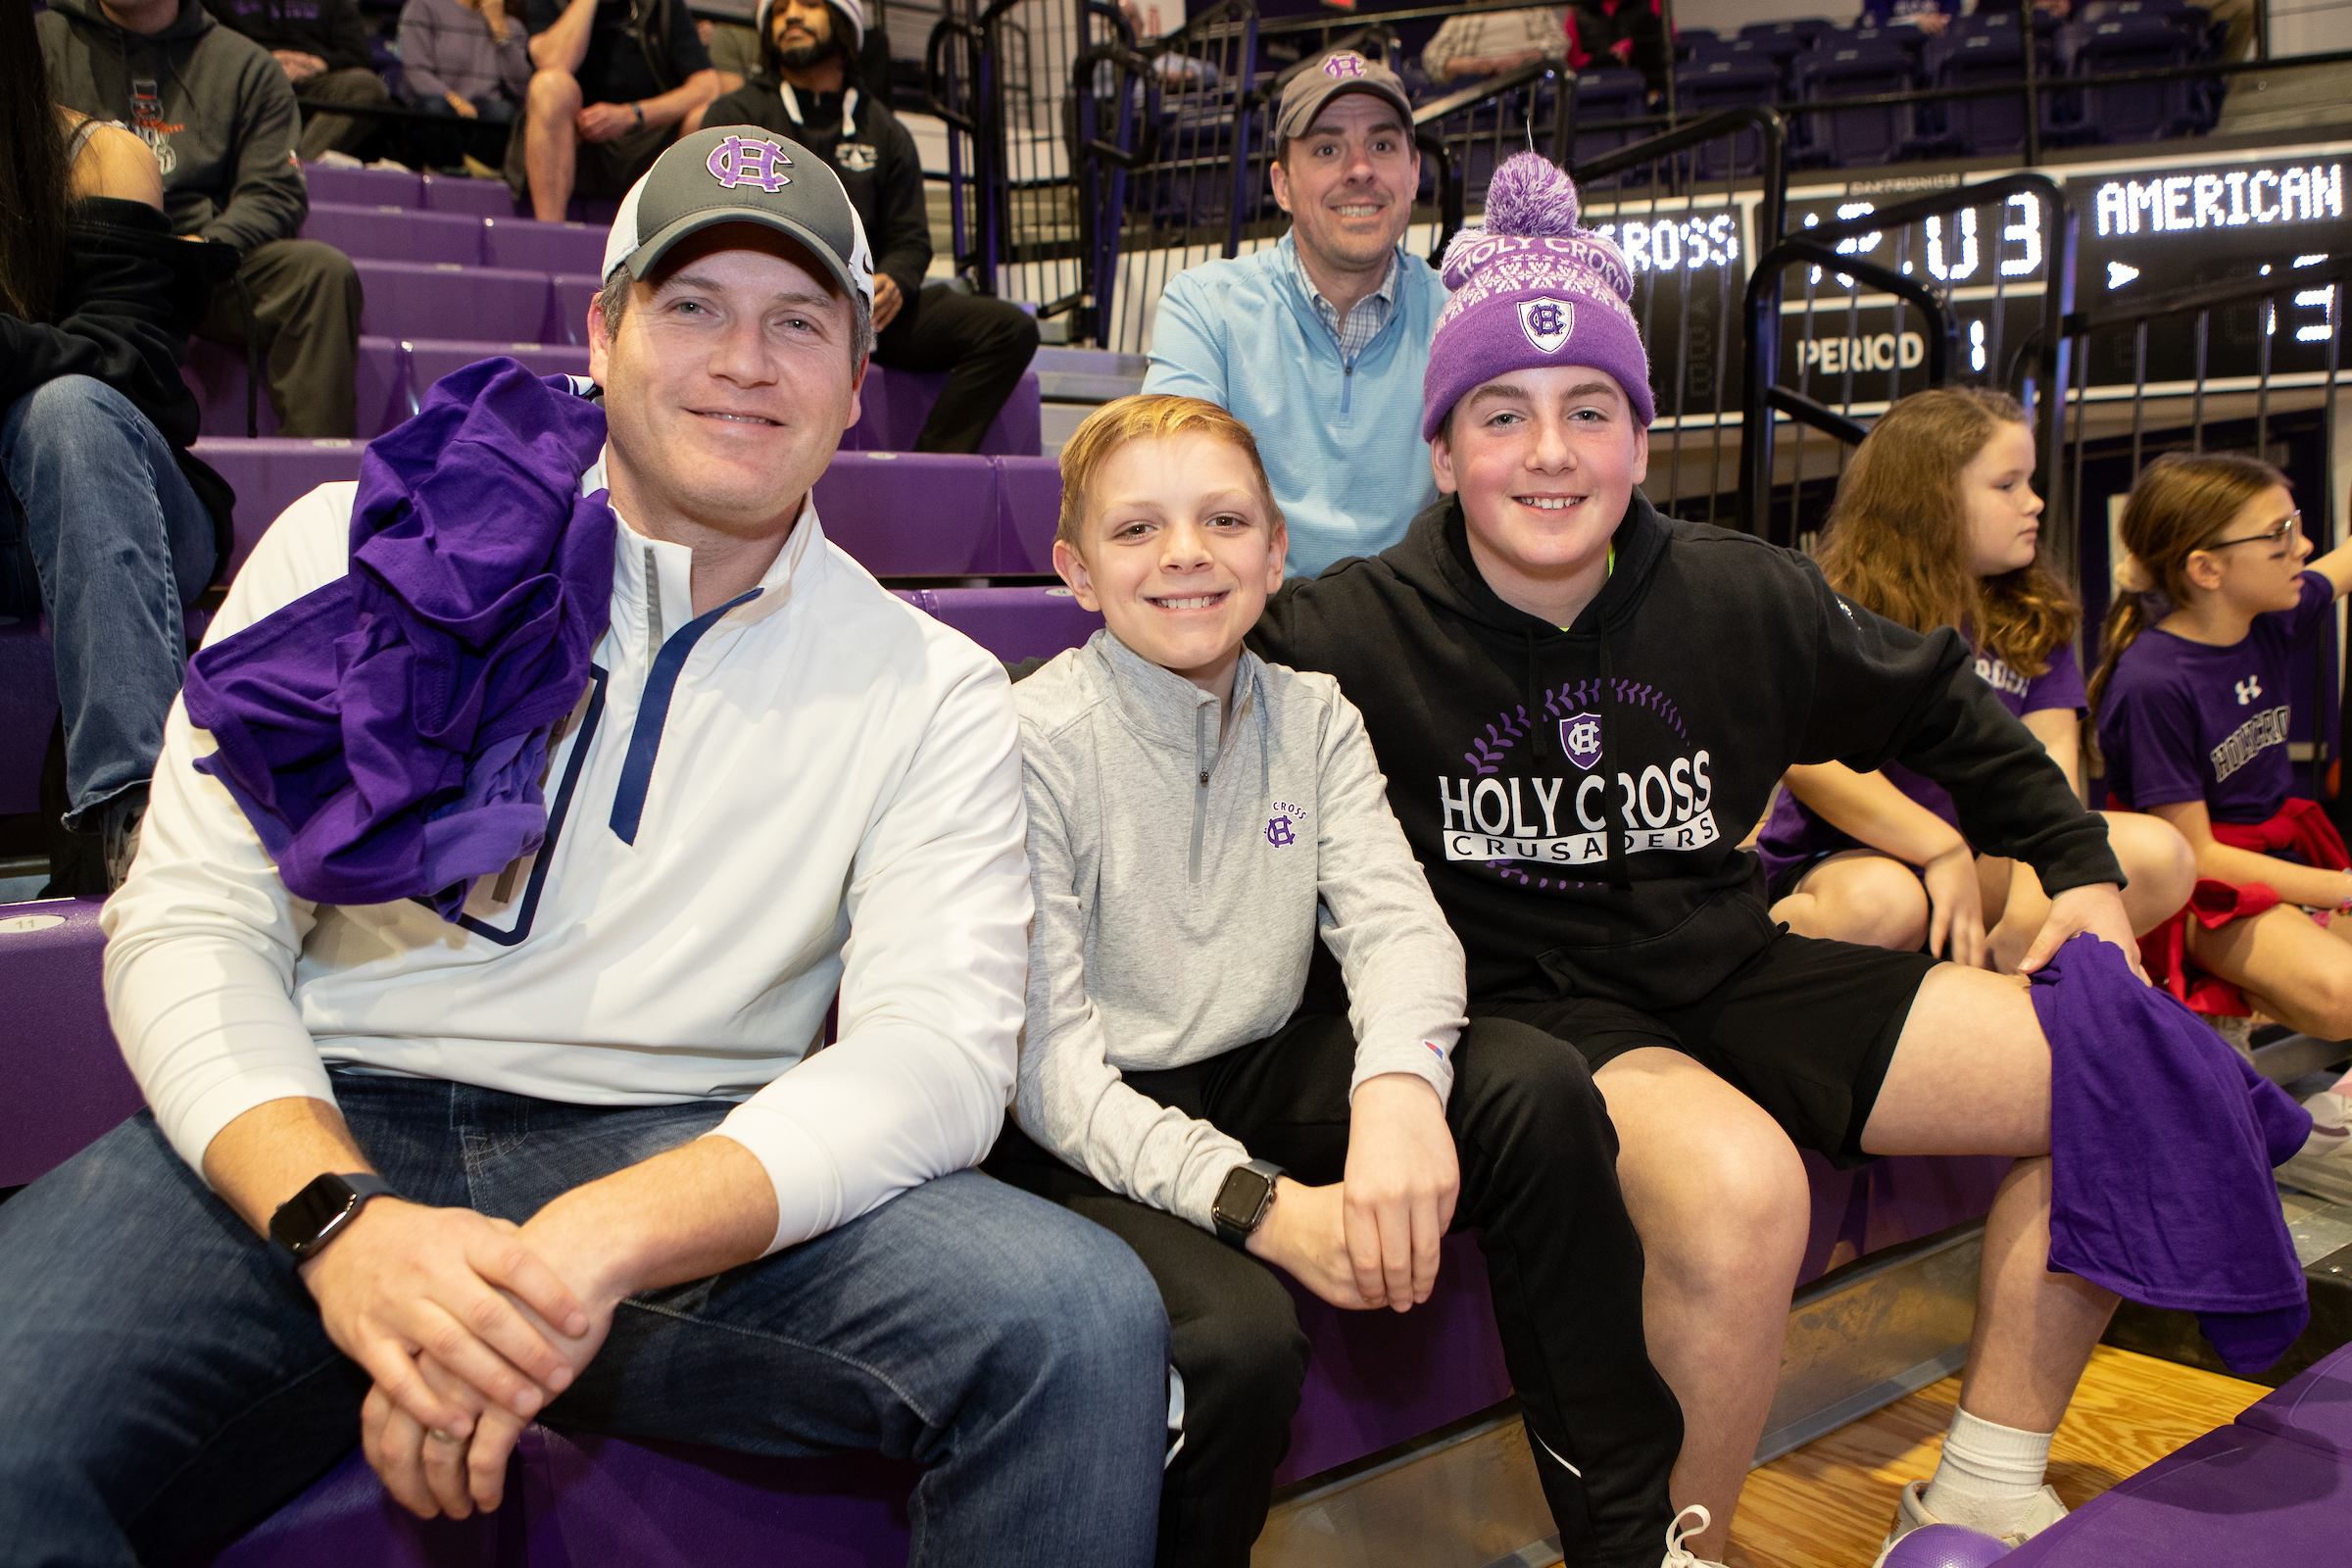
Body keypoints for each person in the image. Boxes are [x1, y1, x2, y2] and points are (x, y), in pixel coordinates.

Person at [0, 126, 1170, 1566]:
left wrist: (588, 1244)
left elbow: (935, 1057)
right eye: (693, 307)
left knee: (1076, 1319)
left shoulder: (930, 687)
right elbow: (189, 922)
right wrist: (343, 1224)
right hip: (325, 1110)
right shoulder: (354, 542)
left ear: (857, 379)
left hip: (670, 1165)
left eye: (798, 321)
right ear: (602, 332)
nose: (747, 361)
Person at [1246, 153, 2155, 1565]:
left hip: (1731, 961)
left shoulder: (1747, 591)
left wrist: (2080, 869)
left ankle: (1981, 1475)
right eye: (1503, 415)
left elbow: (1943, 709)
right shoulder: (1342, 630)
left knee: (2116, 1070)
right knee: (1743, 1190)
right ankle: (1688, 1550)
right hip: (1537, 1015)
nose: (1549, 453)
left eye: (1588, 412)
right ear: (1441, 448)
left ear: (1640, 435)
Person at [990, 391, 1701, 1568]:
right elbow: (1052, 1077)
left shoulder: (1313, 711)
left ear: (1277, 554)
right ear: (1074, 570)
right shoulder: (1030, 742)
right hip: (1078, 1129)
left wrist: (1400, 1092)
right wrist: (1263, 1206)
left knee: (1534, 1086)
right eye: (1136, 531)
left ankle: (1628, 1544)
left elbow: (1403, 930)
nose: (1184, 555)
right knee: (1240, 1341)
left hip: (1254, 1066)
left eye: (1224, 521)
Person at [1757, 389, 2196, 973]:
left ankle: (1993, 989)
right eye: (2007, 484)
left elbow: (2052, 760)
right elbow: (1807, 760)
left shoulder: (2036, 613)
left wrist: (2027, 912)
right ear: (1928, 500)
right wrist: (1936, 847)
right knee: (1885, 903)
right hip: (1848, 854)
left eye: (2031, 481)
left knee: (2159, 854)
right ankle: (1746, 973)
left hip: (1982, 857)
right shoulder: (1840, 603)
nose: (2034, 502)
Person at [3, 17, 240, 894]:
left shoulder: (100, 158)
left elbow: (129, 366)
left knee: (65, 411)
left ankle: (145, 823)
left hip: (119, 485)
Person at [2090, 452, 2352, 1203]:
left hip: (2271, 862)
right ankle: (2287, 1139)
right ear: (2206, 568)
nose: (2302, 547)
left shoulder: (2270, 614)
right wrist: (2341, 887)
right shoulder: (2155, 681)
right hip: (2196, 891)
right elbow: (2197, 855)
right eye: (2280, 534)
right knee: (2338, 992)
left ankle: (2318, 1121)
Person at [1142, 51, 1446, 579]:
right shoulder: (1206, 306)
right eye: (1328, 148)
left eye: (1381, 145)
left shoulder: (1463, 312)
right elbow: (1170, 487)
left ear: (1414, 171)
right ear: (1282, 184)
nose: (1360, 171)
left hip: (1420, 628)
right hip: (1257, 628)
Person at [698, 0, 1042, 454]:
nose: (791, 17)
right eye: (779, 10)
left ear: (846, 25)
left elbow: (911, 239)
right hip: (765, 303)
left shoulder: (884, 129)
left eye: (809, 5)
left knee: (1011, 329)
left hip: (864, 310)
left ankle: (931, 466)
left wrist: (894, 280)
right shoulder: (735, 114)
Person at [42, 0, 368, 439]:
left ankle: (320, 485)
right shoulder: (39, 43)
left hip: (197, 263)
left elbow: (274, 192)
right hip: (76, 257)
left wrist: (205, 246)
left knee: (320, 273)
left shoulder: (247, 65)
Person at [512, 0, 720, 221]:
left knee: (702, 116)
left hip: (644, 142)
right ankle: (551, 234)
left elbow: (708, 86)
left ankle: (673, 234)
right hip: (577, 140)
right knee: (549, 86)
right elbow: (554, 61)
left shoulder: (662, 5)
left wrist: (632, 115)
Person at [204, 0, 393, 161]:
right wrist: (265, 59)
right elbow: (206, 45)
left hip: (315, 80)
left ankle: (293, 168)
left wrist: (314, 63)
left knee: (367, 87)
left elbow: (358, 54)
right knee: (208, 80)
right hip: (249, 75)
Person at [399, 0, 532, 172]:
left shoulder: (512, 26)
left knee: (504, 112)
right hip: (438, 101)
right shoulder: (423, 6)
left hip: (486, 108)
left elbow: (523, 88)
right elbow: (416, 71)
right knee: (435, 108)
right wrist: (454, 100)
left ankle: (476, 177)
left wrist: (499, 26)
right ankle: (448, 174)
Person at [1425, 0, 1565, 85]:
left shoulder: (1536, 10)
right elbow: (1431, 57)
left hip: (1530, 84)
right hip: (1472, 90)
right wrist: (1474, 65)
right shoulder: (1461, 19)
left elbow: (1560, 43)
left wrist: (1521, 58)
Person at [1564, 1, 1667, 98]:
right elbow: (1572, 62)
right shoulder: (1578, 13)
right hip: (1597, 89)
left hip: (1644, 78)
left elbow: (1668, 40)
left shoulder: (1651, 2)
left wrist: (1627, 47)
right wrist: (1609, 57)